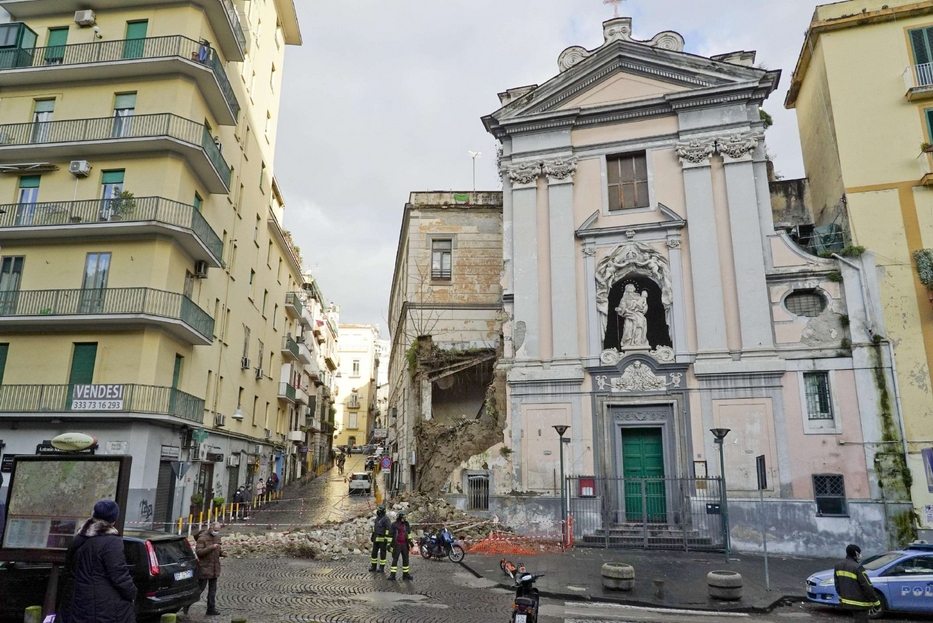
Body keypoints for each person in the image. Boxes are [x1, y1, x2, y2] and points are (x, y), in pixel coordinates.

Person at [58, 500, 137, 623]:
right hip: (101, 605)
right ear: (113, 519)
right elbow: (118, 575)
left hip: (76, 601)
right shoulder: (111, 542)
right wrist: (132, 592)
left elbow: (68, 570)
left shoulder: (79, 537)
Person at [834, 544, 880, 622]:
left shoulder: (838, 565)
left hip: (846, 601)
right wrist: (876, 601)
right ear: (855, 554)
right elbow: (867, 585)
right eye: (859, 553)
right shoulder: (858, 568)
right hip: (860, 603)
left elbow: (837, 584)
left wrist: (841, 596)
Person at [188, 522, 225, 616]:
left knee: (213, 590)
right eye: (215, 530)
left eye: (218, 531)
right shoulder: (202, 538)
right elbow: (199, 552)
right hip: (204, 568)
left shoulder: (217, 537)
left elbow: (217, 550)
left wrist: (221, 553)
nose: (217, 532)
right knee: (200, 589)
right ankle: (187, 604)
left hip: (214, 568)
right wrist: (211, 547)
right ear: (211, 528)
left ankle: (211, 608)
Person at [387, 510, 413, 581]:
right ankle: (392, 575)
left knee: (406, 560)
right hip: (397, 545)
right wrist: (389, 544)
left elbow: (409, 533)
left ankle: (405, 574)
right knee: (395, 559)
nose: (404, 519)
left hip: (405, 545)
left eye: (405, 517)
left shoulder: (406, 524)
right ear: (399, 517)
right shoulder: (394, 525)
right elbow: (390, 535)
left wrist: (410, 541)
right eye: (403, 517)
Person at [369, 504, 391, 572]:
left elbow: (388, 529)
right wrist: (373, 535)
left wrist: (386, 539)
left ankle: (381, 567)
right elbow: (375, 528)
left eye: (379, 510)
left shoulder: (386, 519)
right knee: (374, 553)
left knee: (382, 554)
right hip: (376, 539)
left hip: (382, 539)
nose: (378, 512)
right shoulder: (377, 518)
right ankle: (373, 566)